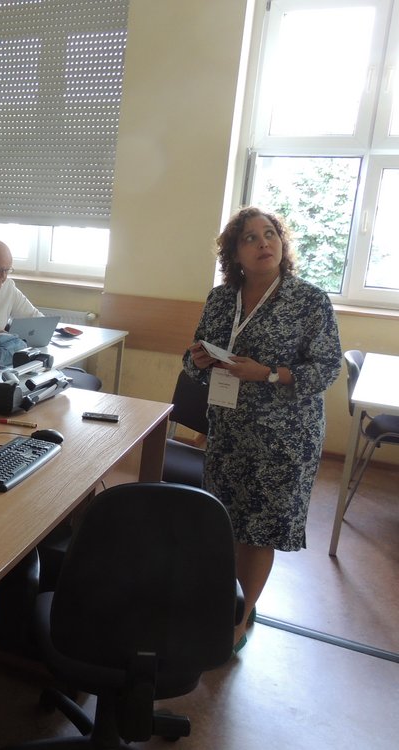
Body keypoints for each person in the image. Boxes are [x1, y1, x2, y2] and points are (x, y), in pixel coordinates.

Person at [184, 207, 341, 654]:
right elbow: (192, 358)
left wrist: (269, 373)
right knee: (226, 524)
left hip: (284, 438)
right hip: (229, 433)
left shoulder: (308, 300)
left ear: (282, 244)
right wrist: (197, 361)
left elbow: (327, 368)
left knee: (260, 531)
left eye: (269, 234)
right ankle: (222, 601)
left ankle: (241, 617)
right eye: (249, 238)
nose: (263, 243)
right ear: (234, 253)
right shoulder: (220, 299)